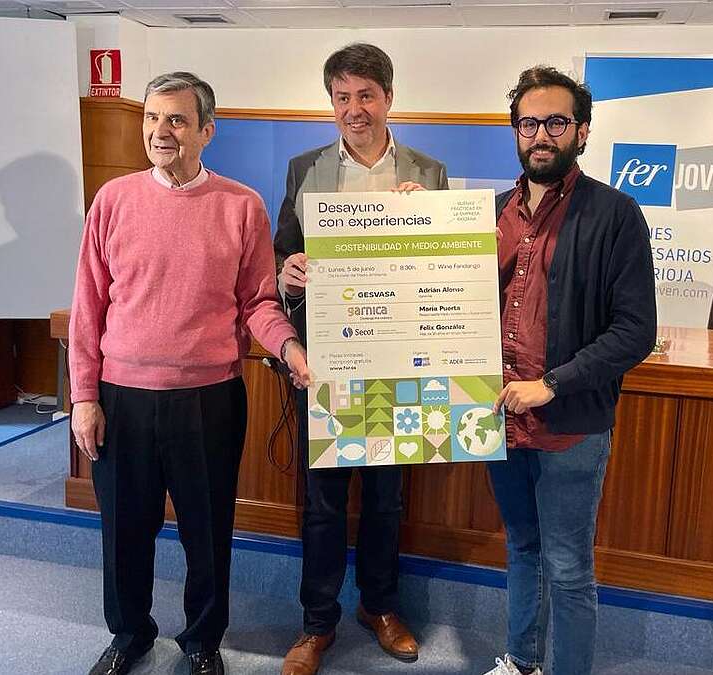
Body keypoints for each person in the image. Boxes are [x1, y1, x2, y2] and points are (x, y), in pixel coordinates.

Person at [69, 71, 310, 675]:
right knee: (124, 529)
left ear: (207, 129)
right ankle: (129, 634)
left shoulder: (241, 205)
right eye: (151, 118)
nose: (160, 132)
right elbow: (87, 305)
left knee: (208, 531)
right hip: (122, 397)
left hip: (209, 398)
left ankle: (203, 640)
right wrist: (82, 397)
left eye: (176, 120)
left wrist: (288, 349)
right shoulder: (114, 200)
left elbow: (258, 301)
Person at [273, 43, 448, 675]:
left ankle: (380, 607)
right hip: (325, 363)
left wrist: (425, 221)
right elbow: (281, 258)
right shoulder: (305, 169)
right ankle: (317, 624)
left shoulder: (428, 174)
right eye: (342, 98)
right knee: (321, 501)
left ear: (389, 98)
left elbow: (445, 270)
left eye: (366, 96)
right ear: (332, 104)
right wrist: (287, 273)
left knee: (385, 499)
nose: (355, 109)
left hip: (397, 362)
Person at [484, 66, 656, 675]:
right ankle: (523, 660)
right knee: (522, 549)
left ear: (581, 132)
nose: (541, 135)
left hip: (569, 425)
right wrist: (412, 220)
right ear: (515, 133)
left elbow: (635, 332)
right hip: (498, 422)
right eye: (529, 123)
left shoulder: (616, 215)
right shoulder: (492, 215)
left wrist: (551, 384)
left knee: (567, 566)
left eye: (556, 122)